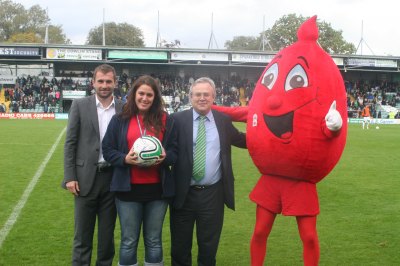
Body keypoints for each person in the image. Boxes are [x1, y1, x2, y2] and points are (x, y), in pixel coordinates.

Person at [169, 77, 246, 266]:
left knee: (208, 248)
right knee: (180, 248)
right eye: (198, 94)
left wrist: (271, 135)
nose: (202, 98)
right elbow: (166, 148)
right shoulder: (177, 120)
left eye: (206, 94)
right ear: (190, 97)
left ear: (213, 97)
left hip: (213, 195)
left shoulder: (223, 121)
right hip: (183, 194)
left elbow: (242, 140)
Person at [102, 75, 178, 266]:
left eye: (149, 95)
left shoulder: (165, 119)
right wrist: (124, 159)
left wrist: (166, 157)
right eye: (141, 93)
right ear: (134, 94)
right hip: (127, 191)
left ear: (155, 97)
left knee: (153, 241)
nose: (144, 98)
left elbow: (176, 150)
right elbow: (108, 149)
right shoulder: (120, 119)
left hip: (157, 192)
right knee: (128, 241)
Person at [63, 64, 123, 266]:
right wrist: (70, 176)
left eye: (108, 81)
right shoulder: (80, 105)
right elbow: (70, 143)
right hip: (84, 178)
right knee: (82, 236)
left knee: (107, 238)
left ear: (115, 83)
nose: (104, 85)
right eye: (100, 81)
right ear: (93, 83)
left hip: (112, 179)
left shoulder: (124, 108)